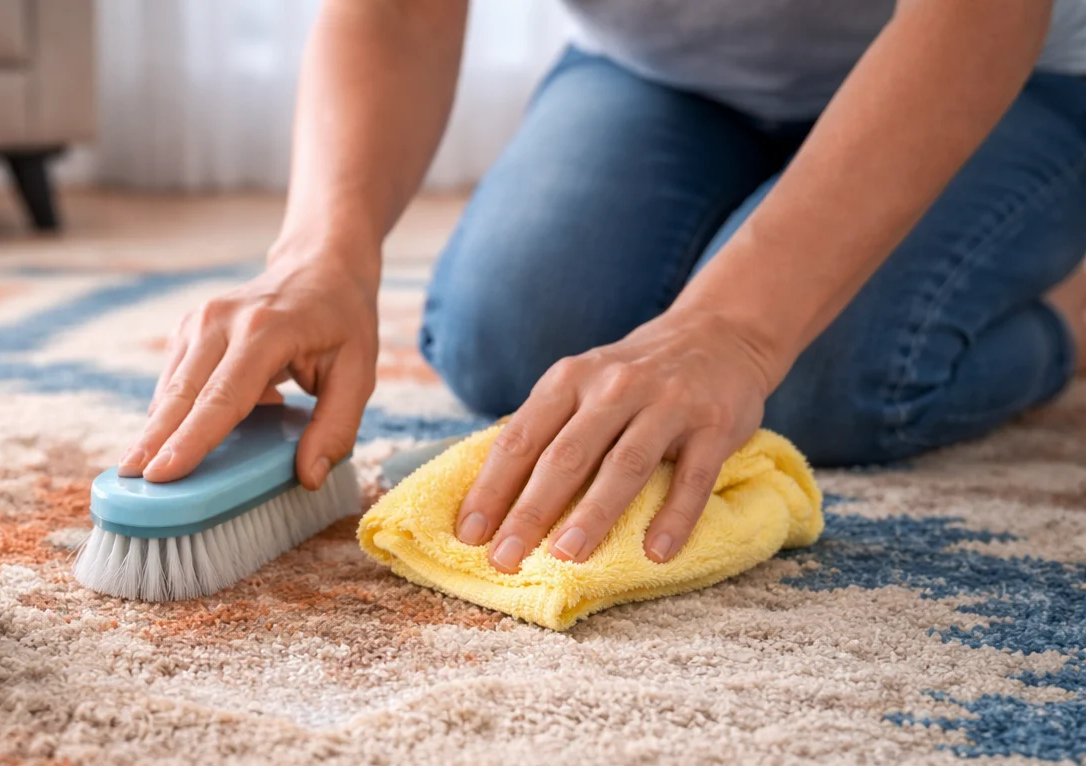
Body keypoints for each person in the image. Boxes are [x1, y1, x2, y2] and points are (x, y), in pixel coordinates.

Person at [118, 0, 1086, 575]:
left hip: (1015, 64)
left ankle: (1068, 309)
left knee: (823, 382)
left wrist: (736, 330)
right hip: (667, 74)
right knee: (512, 340)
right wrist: (319, 253)